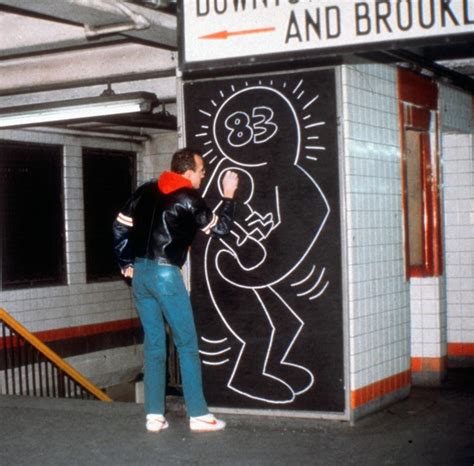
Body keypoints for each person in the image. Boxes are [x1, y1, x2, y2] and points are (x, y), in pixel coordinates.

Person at [112, 147, 239, 433]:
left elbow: (119, 227)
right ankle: (199, 415)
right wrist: (229, 195)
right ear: (189, 171)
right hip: (166, 275)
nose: (204, 175)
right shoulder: (189, 197)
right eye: (202, 170)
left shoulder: (145, 190)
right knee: (187, 345)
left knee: (155, 345)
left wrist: (125, 264)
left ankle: (154, 415)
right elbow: (221, 229)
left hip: (141, 275)